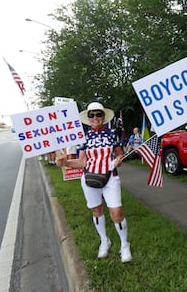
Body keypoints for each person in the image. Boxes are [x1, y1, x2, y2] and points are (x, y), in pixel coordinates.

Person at [56, 101, 132, 263]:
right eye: (92, 115)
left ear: (103, 116)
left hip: (110, 176)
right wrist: (65, 163)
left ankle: (124, 244)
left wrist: (119, 159)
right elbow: (82, 162)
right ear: (88, 117)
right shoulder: (84, 136)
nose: (95, 117)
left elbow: (120, 154)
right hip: (90, 177)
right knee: (96, 211)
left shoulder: (112, 133)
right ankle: (105, 240)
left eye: (98, 114)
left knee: (116, 212)